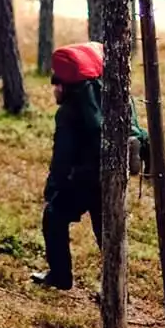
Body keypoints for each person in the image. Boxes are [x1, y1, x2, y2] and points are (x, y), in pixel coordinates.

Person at [33, 44, 106, 290]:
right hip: (107, 179)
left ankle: (60, 277)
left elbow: (62, 158)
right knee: (106, 231)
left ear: (63, 86)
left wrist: (54, 187)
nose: (54, 92)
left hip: (81, 181)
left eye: (55, 86)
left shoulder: (67, 113)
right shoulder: (102, 102)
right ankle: (118, 287)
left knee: (53, 217)